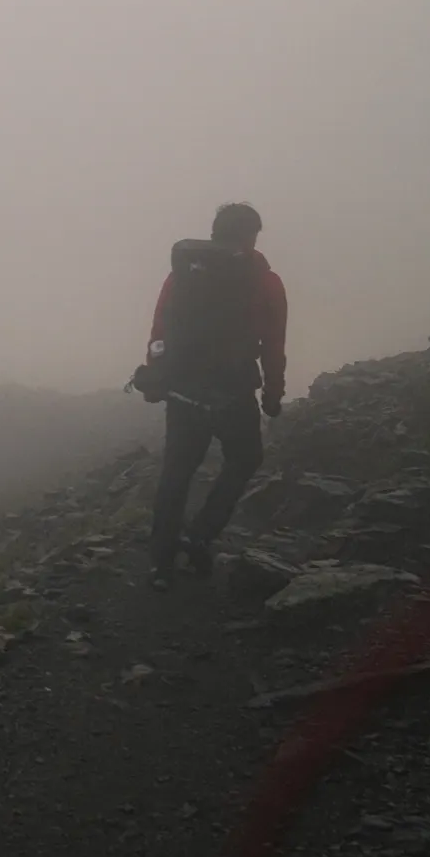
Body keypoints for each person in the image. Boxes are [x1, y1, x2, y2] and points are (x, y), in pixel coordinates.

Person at [143, 202, 288, 590]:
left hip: (183, 388)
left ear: (213, 232)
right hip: (233, 391)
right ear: (252, 235)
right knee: (245, 458)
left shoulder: (182, 275)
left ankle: (160, 562)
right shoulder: (265, 280)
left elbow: (160, 328)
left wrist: (158, 373)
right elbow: (274, 343)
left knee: (177, 471)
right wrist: (273, 394)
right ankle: (200, 535)